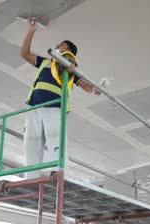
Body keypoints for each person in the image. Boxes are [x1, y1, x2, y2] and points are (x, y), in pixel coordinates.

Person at [20, 18, 101, 179]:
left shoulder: (70, 69)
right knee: (31, 145)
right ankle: (30, 179)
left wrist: (94, 90)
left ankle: (58, 177)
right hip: (34, 108)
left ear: (68, 51)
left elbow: (84, 84)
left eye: (60, 45)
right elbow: (24, 54)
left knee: (55, 143)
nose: (56, 46)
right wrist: (31, 31)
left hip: (55, 109)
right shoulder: (45, 62)